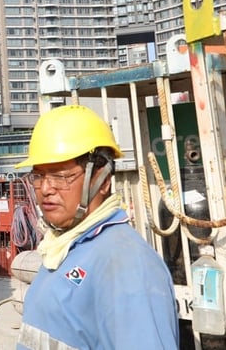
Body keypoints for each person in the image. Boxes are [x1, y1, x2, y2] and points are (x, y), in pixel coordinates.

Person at [16, 104, 179, 349]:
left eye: (60, 175)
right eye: (39, 176)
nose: (46, 188)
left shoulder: (125, 263)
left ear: (102, 180)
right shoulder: (65, 247)